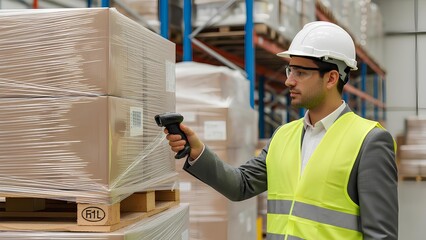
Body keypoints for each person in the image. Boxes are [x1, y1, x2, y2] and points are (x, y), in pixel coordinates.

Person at [165, 21, 398, 240]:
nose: (289, 81)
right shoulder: (284, 135)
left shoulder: (369, 141)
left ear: (331, 78)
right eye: (290, 71)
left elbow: (381, 235)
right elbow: (241, 185)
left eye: (301, 72)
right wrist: (198, 151)